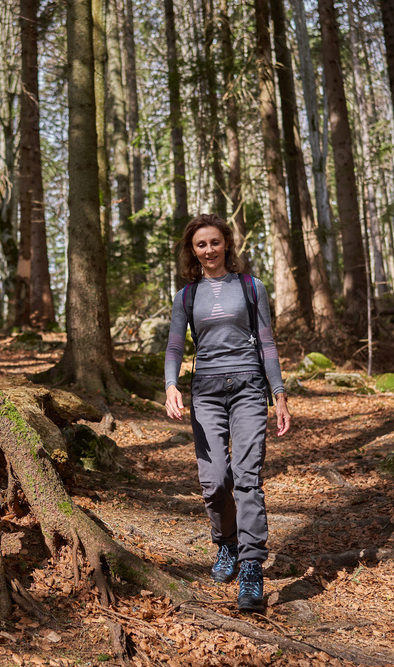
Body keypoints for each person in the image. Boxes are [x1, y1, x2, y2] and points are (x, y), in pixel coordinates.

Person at [164, 213, 291, 613]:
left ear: (227, 245)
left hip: (250, 388)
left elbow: (267, 342)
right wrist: (170, 385)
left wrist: (279, 393)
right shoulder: (187, 296)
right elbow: (174, 347)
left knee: (248, 477)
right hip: (206, 392)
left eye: (215, 242)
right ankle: (227, 544)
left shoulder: (252, 287)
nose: (209, 250)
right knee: (216, 478)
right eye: (201, 244)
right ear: (193, 251)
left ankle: (251, 565)